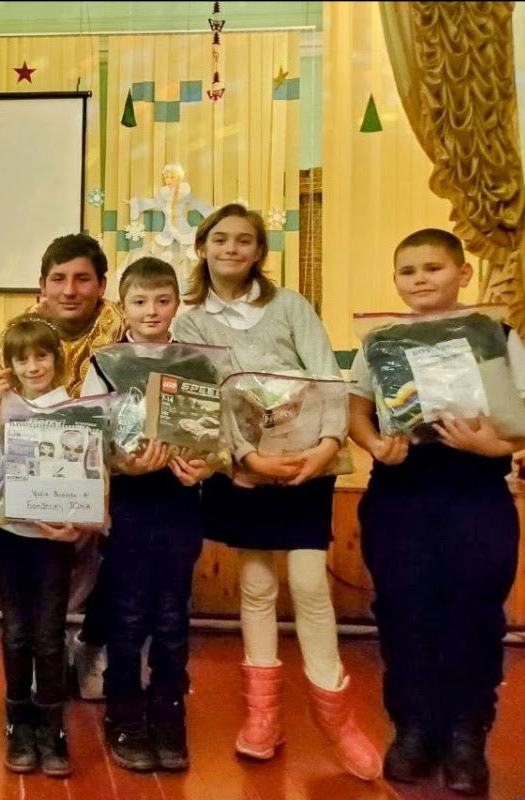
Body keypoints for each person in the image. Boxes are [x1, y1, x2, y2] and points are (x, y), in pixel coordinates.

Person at [172, 203, 381, 781]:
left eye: (244, 241)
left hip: (309, 461)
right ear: (203, 248)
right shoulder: (189, 321)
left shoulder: (289, 306)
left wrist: (327, 445)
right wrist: (246, 457)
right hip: (242, 467)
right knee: (257, 583)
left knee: (311, 582)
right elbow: (204, 396)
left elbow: (326, 378)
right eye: (221, 240)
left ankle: (338, 720)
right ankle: (262, 717)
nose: (232, 250)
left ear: (260, 251)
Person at [348, 228, 524, 795]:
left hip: (477, 491)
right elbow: (356, 408)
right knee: (403, 611)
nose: (420, 280)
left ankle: (467, 736)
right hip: (400, 491)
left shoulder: (497, 333)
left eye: (433, 268)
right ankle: (414, 730)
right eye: (408, 271)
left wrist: (492, 447)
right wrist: (375, 444)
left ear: (463, 273)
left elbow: (520, 418)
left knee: (474, 615)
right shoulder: (380, 340)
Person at [81, 257, 213, 772]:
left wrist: (203, 466)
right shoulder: (105, 362)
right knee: (130, 612)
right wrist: (123, 464)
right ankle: (123, 711)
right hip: (131, 504)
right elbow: (91, 436)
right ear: (123, 306)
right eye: (139, 301)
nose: (151, 310)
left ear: (177, 303)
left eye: (162, 300)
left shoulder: (197, 362)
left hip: (182, 500)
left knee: (173, 614)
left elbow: (214, 436)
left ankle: (169, 712)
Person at [0, 232, 126, 702]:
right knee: (39, 598)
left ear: (102, 285)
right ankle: (50, 664)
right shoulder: (18, 343)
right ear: (41, 286)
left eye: (82, 279)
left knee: (120, 558)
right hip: (31, 498)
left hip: (111, 479)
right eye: (59, 279)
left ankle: (89, 644)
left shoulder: (121, 344)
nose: (70, 290)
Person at [0, 316, 94, 779]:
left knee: (50, 634)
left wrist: (77, 522)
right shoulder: (5, 403)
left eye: (42, 356)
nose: (33, 366)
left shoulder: (74, 409)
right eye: (22, 358)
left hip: (54, 539)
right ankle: (18, 722)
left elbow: (87, 477)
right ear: (10, 364)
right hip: (11, 533)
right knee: (15, 632)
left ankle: (52, 724)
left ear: (58, 360)